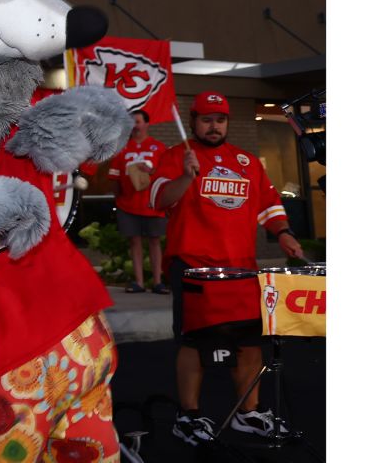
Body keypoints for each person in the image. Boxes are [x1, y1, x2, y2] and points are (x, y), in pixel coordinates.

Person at [150, 91, 305, 447]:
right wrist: (186, 178)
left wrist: (283, 233)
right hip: (194, 267)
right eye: (206, 119)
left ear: (227, 122)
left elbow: (268, 205)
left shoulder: (247, 161)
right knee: (196, 342)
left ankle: (247, 413)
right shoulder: (175, 156)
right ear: (192, 121)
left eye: (220, 119)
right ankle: (187, 416)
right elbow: (159, 200)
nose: (214, 126)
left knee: (251, 341)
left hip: (241, 269)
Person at [107, 110, 169, 293]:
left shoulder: (158, 147)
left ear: (147, 124)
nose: (135, 125)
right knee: (134, 242)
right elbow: (114, 178)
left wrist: (151, 172)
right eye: (131, 122)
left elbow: (166, 175)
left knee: (155, 241)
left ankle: (158, 282)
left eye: (138, 121)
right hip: (128, 205)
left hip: (152, 205)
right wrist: (119, 198)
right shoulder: (122, 149)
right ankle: (139, 282)